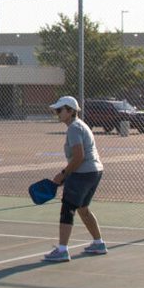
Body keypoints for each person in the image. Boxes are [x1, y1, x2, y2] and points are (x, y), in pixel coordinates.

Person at [43, 96, 107, 261]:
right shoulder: (80, 125)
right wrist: (67, 175)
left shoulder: (74, 128)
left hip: (84, 172)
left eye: (59, 110)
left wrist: (63, 174)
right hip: (95, 171)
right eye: (56, 110)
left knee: (67, 209)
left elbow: (79, 157)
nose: (57, 113)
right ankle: (99, 243)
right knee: (83, 208)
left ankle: (62, 250)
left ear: (70, 111)